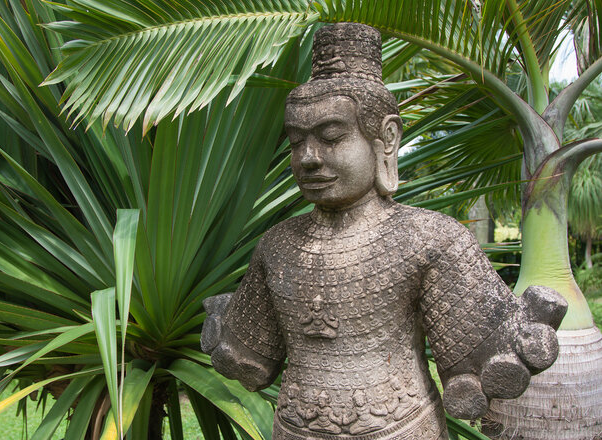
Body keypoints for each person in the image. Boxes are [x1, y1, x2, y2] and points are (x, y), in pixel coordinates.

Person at [201, 23, 566, 440]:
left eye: (331, 137)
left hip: (400, 426)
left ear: (387, 139)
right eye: (297, 141)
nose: (309, 158)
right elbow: (251, 357)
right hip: (295, 428)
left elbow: (482, 364)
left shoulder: (429, 239)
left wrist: (520, 336)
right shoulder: (278, 245)